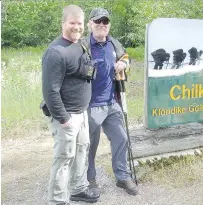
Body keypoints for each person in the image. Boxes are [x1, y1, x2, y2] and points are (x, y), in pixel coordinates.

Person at [42, 5, 100, 205]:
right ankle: (57, 200)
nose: (76, 27)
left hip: (81, 113)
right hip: (66, 116)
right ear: (63, 23)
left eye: (79, 23)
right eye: (72, 23)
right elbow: (50, 91)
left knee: (82, 151)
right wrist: (64, 119)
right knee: (64, 159)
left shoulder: (81, 44)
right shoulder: (56, 52)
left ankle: (78, 189)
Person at [83, 8, 139, 196]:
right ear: (90, 24)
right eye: (97, 21)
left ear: (109, 25)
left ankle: (122, 176)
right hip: (89, 105)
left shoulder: (114, 43)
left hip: (112, 102)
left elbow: (125, 57)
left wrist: (124, 64)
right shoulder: (82, 46)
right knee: (90, 144)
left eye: (105, 22)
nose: (101, 25)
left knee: (121, 138)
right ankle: (89, 179)